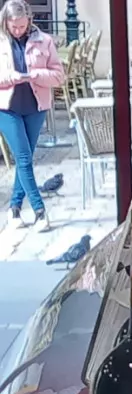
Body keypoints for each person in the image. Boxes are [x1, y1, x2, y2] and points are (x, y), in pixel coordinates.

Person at [0, 0, 62, 229]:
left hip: (36, 107)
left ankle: (14, 208)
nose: (18, 30)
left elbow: (59, 76)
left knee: (24, 158)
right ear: (5, 22)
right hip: (7, 109)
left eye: (22, 26)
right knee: (24, 158)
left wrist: (36, 74)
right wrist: (11, 78)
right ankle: (39, 211)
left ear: (29, 21)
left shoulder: (44, 41)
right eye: (13, 26)